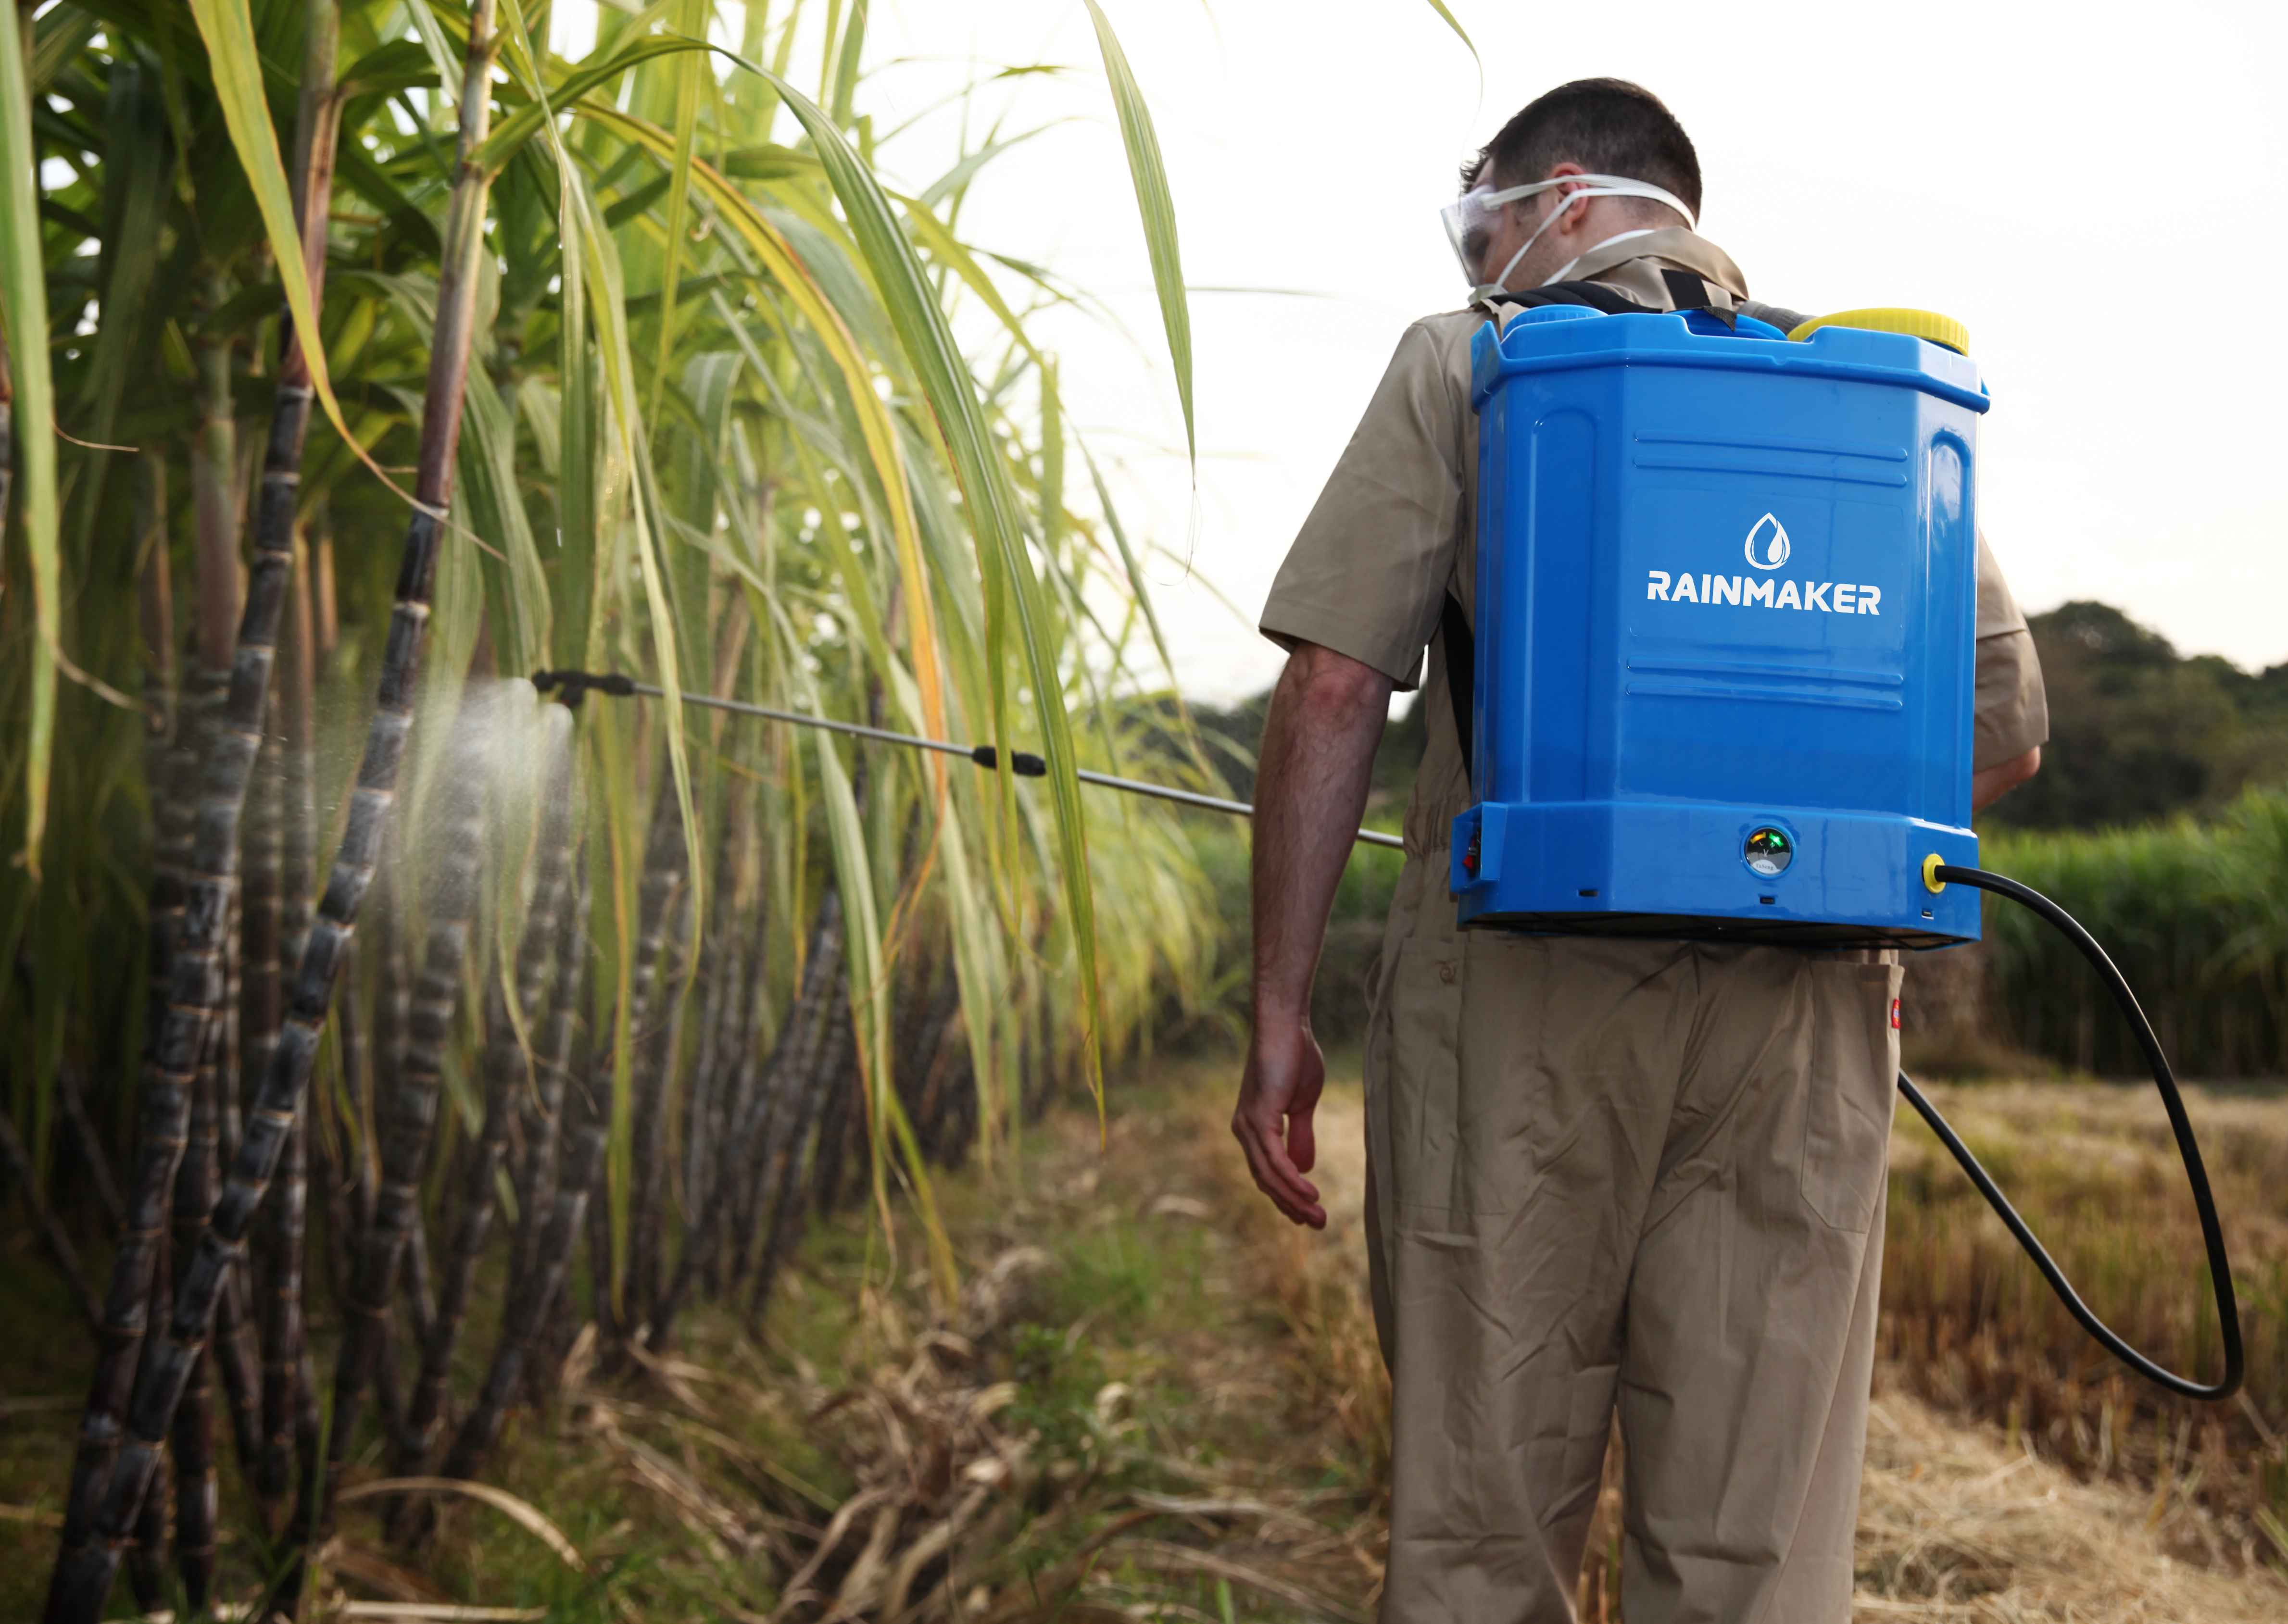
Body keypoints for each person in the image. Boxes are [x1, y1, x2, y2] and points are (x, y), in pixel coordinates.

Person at [1234, 79, 2047, 1623]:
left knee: (1484, 1530)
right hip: (1804, 1026)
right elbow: (2002, 732)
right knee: (1756, 1555)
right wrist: (1788, 858)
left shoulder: (1473, 361)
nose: (1477, 257)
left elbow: (1334, 683)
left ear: (1565, 196)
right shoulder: (1861, 391)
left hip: (1521, 1002)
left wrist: (1280, 1014)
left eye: (1484, 218)